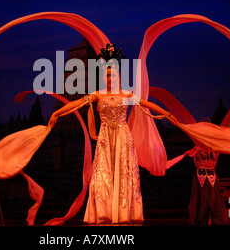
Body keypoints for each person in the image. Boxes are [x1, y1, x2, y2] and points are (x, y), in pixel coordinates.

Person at [48, 44, 177, 225]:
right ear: (103, 77)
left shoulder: (126, 94)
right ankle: (104, 212)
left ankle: (123, 213)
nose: (110, 78)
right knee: (103, 175)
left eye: (113, 75)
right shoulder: (98, 95)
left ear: (119, 76)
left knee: (123, 175)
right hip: (105, 138)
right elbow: (76, 103)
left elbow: (146, 104)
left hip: (123, 138)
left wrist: (167, 113)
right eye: (107, 75)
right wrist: (56, 113)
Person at [186, 143, 228, 225]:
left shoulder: (215, 148)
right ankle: (200, 219)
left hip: (212, 175)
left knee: (214, 198)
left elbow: (215, 161)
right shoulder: (197, 147)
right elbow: (192, 156)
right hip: (201, 175)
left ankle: (216, 220)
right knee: (201, 197)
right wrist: (193, 152)